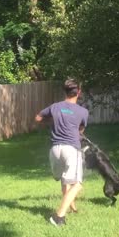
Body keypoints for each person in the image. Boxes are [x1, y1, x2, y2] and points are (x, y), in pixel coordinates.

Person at [35, 79, 89, 226]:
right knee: (77, 184)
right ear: (78, 92)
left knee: (65, 181)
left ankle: (71, 205)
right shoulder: (83, 112)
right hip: (71, 149)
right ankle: (58, 217)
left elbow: (38, 118)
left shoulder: (55, 107)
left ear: (64, 91)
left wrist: (52, 122)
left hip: (55, 150)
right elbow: (80, 131)